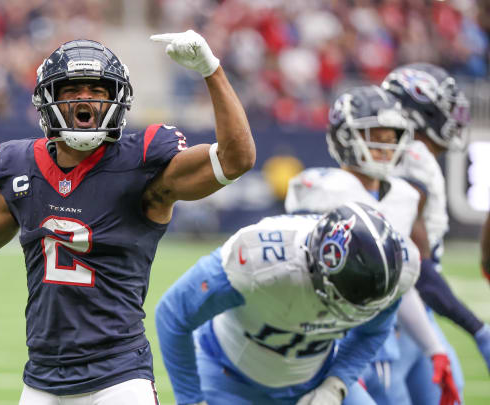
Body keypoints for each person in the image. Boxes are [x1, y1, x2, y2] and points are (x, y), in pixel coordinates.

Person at [0, 30, 256, 404]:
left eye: (97, 91)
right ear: (48, 99)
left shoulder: (142, 168)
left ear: (117, 99)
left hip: (118, 378)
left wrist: (211, 71)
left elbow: (235, 159)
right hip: (42, 380)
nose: (85, 102)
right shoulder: (21, 168)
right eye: (72, 91)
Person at [284, 85, 459, 405]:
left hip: (380, 336)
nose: (385, 144)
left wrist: (434, 346)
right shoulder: (319, 188)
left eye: (391, 136)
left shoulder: (405, 197)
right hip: (323, 339)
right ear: (345, 137)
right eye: (374, 134)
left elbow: (401, 282)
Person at [156, 202, 417, 405]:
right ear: (319, 267)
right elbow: (173, 314)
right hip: (229, 376)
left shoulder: (398, 272)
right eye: (349, 295)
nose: (355, 312)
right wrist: (191, 399)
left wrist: (335, 384)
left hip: (315, 376)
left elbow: (374, 330)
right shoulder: (261, 263)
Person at [382, 63, 490, 399]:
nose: (454, 118)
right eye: (444, 109)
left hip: (417, 317)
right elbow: (416, 267)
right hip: (386, 323)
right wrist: (477, 328)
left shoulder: (419, 159)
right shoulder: (408, 159)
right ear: (416, 114)